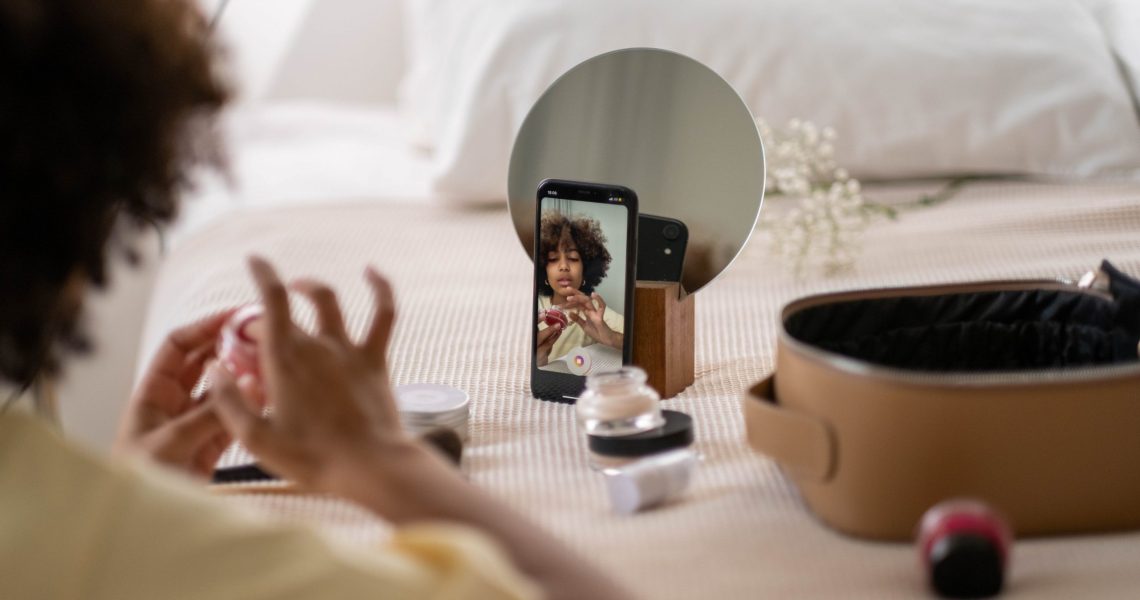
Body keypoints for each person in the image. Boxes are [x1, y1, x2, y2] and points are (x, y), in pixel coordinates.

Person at [0, 1, 631, 598]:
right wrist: (382, 461)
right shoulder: (117, 544)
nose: (565, 267)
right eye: (556, 256)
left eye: (576, 258)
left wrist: (129, 490)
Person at [536, 211, 625, 369]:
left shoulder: (597, 315)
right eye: (553, 259)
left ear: (586, 268)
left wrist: (612, 338)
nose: (564, 266)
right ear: (543, 268)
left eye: (573, 258)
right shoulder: (531, 309)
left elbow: (648, 344)